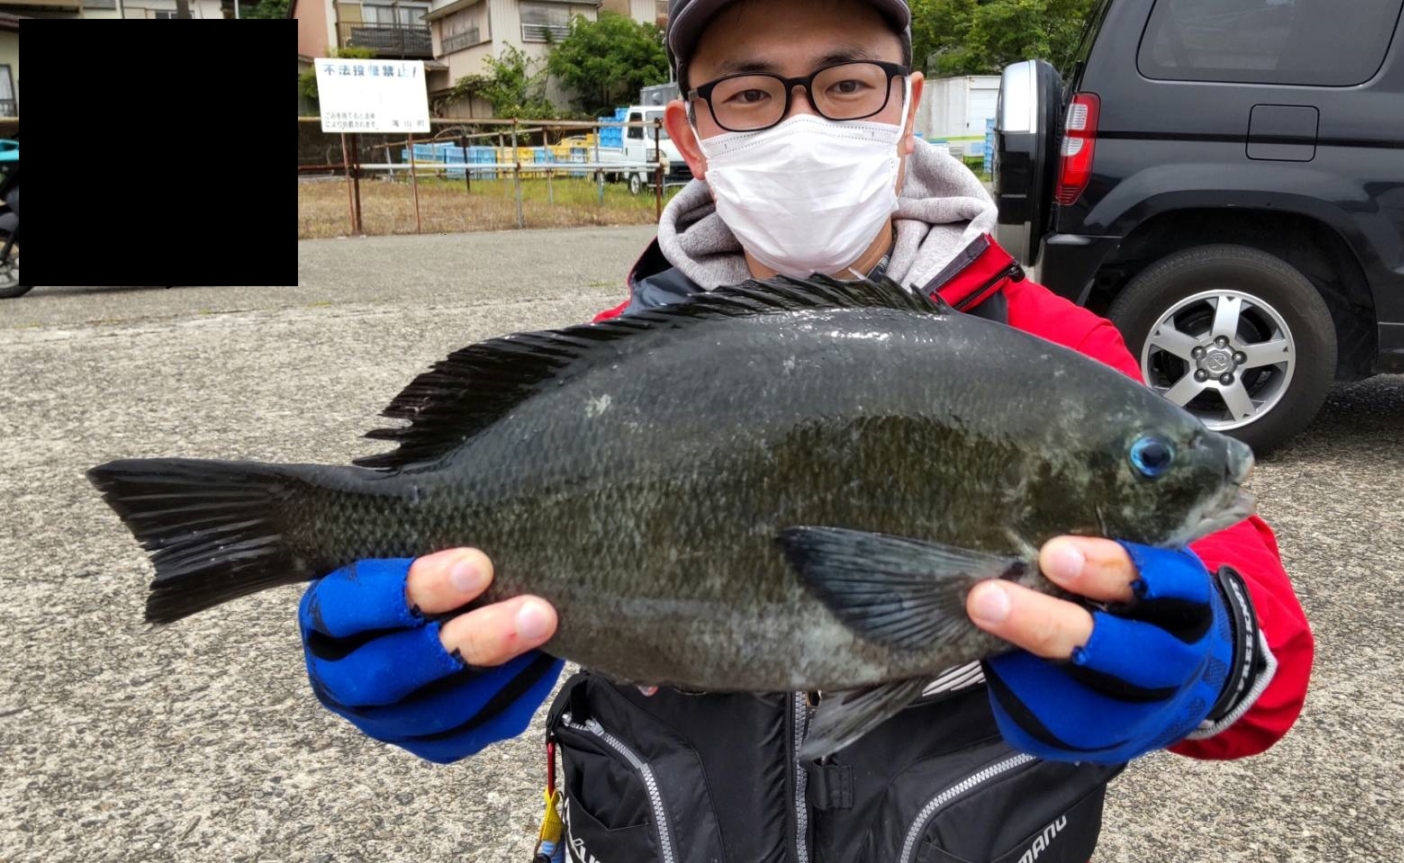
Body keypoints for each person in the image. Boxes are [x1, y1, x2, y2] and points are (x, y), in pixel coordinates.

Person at [296, 0, 1315, 858]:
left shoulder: (1060, 354)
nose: (801, 122)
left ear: (906, 108)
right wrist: (398, 642)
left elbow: (1268, 678)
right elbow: (446, 531)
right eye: (748, 93)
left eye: (844, 84)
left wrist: (1209, 651)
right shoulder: (610, 367)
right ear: (688, 133)